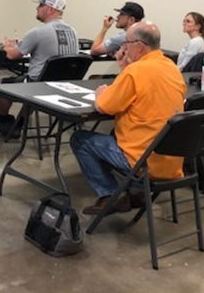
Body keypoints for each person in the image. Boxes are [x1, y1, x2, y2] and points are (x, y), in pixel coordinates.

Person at [70, 21, 186, 215]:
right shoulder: (171, 68)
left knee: (80, 139)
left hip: (142, 160)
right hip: (171, 161)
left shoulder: (136, 72)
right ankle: (137, 191)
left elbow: (104, 106)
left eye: (126, 43)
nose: (123, 48)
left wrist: (100, 93)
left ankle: (111, 195)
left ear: (139, 46)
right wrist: (125, 67)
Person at [0, 0, 79, 133]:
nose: (37, 8)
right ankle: (19, 122)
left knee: (1, 85)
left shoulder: (38, 32)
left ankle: (3, 119)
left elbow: (12, 55)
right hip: (64, 86)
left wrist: (6, 46)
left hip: (38, 85)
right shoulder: (73, 32)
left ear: (51, 9)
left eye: (40, 5)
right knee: (34, 84)